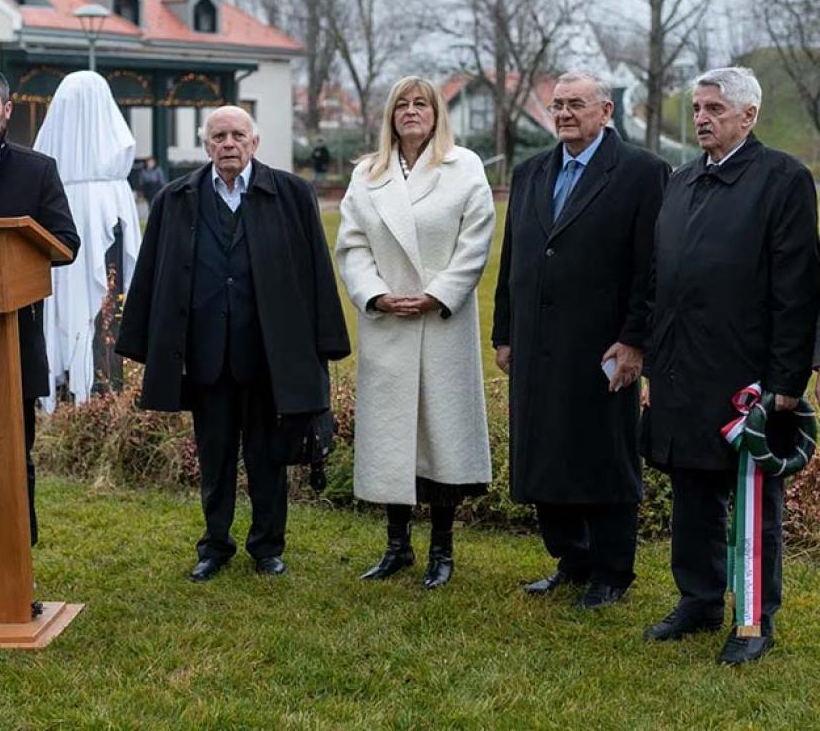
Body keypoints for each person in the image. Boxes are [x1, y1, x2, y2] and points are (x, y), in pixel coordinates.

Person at [116, 105, 350, 581]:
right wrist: (144, 343)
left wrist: (324, 343)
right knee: (215, 458)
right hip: (206, 356)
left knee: (268, 457)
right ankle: (214, 546)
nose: (228, 143)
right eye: (219, 135)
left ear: (254, 142)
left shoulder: (291, 195)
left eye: (237, 135)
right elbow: (150, 275)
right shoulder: (175, 198)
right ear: (206, 145)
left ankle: (267, 547)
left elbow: (317, 273)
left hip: (269, 355)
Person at [641, 66, 820, 664]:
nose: (701, 118)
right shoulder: (682, 179)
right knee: (690, 488)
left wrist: (788, 381)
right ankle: (697, 599)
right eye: (697, 108)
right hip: (679, 366)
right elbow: (660, 276)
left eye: (714, 108)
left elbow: (797, 288)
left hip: (746, 377)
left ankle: (753, 619)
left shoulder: (784, 180)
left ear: (749, 115)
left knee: (752, 501)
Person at [492, 72, 668, 609]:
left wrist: (635, 340)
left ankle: (611, 571)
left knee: (603, 455)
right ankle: (571, 559)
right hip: (536, 342)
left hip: (603, 346)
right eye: (558, 105)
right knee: (542, 452)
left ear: (606, 111)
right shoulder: (531, 172)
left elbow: (652, 267)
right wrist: (504, 332)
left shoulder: (642, 173)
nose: (564, 113)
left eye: (576, 104)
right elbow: (514, 259)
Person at [336, 75, 495, 589]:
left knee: (440, 437)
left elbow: (476, 240)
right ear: (389, 115)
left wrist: (441, 293)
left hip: (440, 322)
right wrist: (376, 295)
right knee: (393, 439)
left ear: (436, 113)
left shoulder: (463, 166)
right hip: (390, 324)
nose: (410, 111)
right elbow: (352, 246)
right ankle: (397, 545)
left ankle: (442, 550)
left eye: (420, 103)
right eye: (401, 104)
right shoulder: (368, 174)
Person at [0, 65, 80, 549]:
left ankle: (14, 576)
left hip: (11, 344)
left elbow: (65, 242)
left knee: (10, 459)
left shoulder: (36, 169)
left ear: (7, 110)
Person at [32, 71, 141, 413]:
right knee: (101, 313)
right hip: (85, 229)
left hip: (62, 257)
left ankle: (75, 391)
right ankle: (97, 394)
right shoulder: (113, 183)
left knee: (77, 312)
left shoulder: (52, 180)